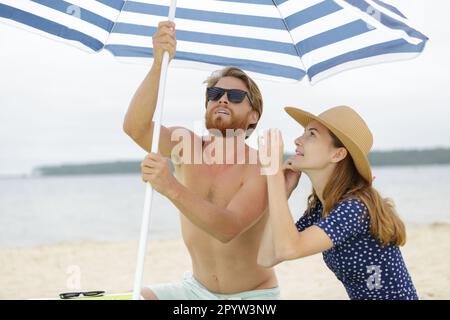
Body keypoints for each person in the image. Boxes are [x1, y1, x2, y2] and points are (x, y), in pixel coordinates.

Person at [123, 21, 279, 300]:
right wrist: (159, 63)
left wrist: (170, 186)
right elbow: (136, 128)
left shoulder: (262, 166)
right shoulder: (187, 144)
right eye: (215, 95)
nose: (222, 100)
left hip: (252, 296)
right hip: (194, 290)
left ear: (254, 115)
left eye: (234, 96)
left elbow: (227, 229)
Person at [257, 106, 418, 300]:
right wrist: (282, 192)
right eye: (303, 133)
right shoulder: (321, 208)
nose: (298, 140)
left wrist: (273, 175)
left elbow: (289, 249)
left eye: (312, 134)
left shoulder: (355, 208)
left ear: (337, 154)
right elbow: (267, 257)